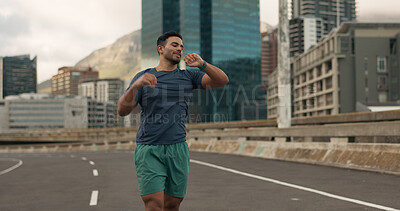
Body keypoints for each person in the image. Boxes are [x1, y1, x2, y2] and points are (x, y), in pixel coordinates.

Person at [117, 31, 229, 211]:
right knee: (153, 203)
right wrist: (136, 85)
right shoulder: (144, 77)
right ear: (160, 49)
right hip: (149, 148)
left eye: (181, 46)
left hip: (177, 148)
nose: (180, 49)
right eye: (175, 45)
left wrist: (203, 65)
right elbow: (122, 110)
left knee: (172, 205)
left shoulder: (188, 77)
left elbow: (222, 80)